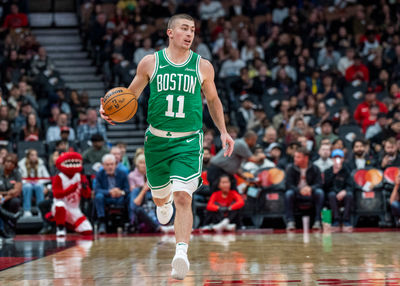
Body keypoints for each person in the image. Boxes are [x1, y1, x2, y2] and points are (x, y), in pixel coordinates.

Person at [99, 14, 234, 280]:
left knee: (183, 196)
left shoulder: (203, 66)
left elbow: (214, 100)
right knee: (161, 197)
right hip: (157, 141)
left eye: (193, 30)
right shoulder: (151, 62)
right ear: (170, 32)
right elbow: (130, 96)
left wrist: (223, 131)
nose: (189, 34)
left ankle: (181, 253)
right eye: (184, 29)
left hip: (188, 140)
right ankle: (162, 202)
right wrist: (112, 112)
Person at [284, 147, 324, 230]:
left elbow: (319, 183)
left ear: (306, 158)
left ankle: (318, 221)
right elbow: (288, 184)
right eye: (295, 156)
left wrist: (310, 188)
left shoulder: (315, 168)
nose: (295, 159)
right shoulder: (290, 168)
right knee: (288, 194)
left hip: (310, 193)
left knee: (320, 193)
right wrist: (299, 190)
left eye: (298, 157)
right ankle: (290, 221)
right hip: (296, 192)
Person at [94, 154, 129, 234]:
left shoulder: (122, 173)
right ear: (103, 165)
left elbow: (127, 189)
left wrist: (120, 192)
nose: (110, 167)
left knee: (129, 197)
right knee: (98, 196)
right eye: (107, 165)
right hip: (106, 198)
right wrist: (110, 192)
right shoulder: (100, 174)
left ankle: (129, 222)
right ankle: (102, 221)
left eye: (112, 164)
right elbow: (97, 190)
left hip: (119, 198)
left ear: (115, 165)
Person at [323, 149, 354, 232]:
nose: (337, 160)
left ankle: (346, 221)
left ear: (343, 159)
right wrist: (334, 173)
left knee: (349, 195)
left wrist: (344, 191)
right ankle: (336, 221)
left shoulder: (346, 171)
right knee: (331, 195)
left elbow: (350, 185)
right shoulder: (327, 171)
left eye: (339, 158)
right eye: (335, 158)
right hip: (332, 193)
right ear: (332, 159)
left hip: (344, 193)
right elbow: (326, 186)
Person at [18, 149, 50, 217]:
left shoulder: (41, 164)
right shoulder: (21, 165)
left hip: (38, 183)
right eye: (32, 155)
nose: (34, 157)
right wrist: (25, 181)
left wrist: (39, 180)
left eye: (36, 155)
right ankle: (27, 210)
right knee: (28, 187)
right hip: (26, 184)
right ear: (28, 156)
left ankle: (40, 210)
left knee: (38, 186)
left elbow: (47, 178)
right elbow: (19, 178)